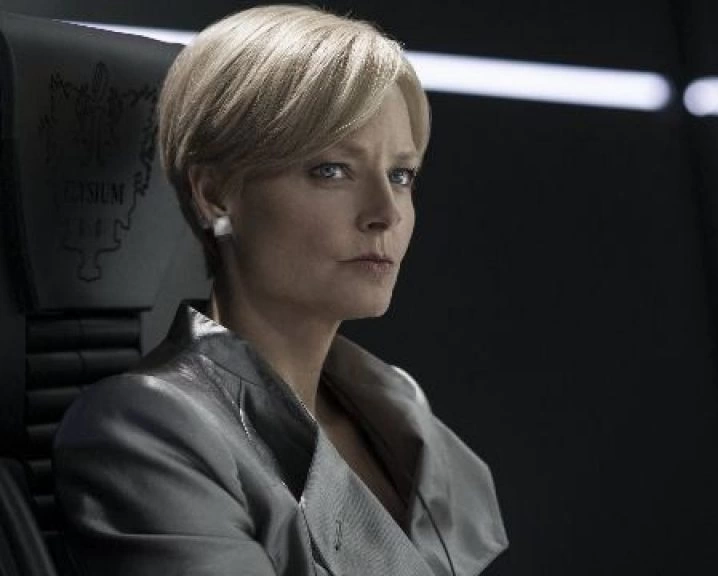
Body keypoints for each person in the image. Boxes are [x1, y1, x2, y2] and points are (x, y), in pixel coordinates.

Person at [52, 5, 508, 575]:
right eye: (332, 170)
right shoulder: (149, 426)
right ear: (216, 195)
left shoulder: (398, 408)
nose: (386, 213)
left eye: (400, 175)